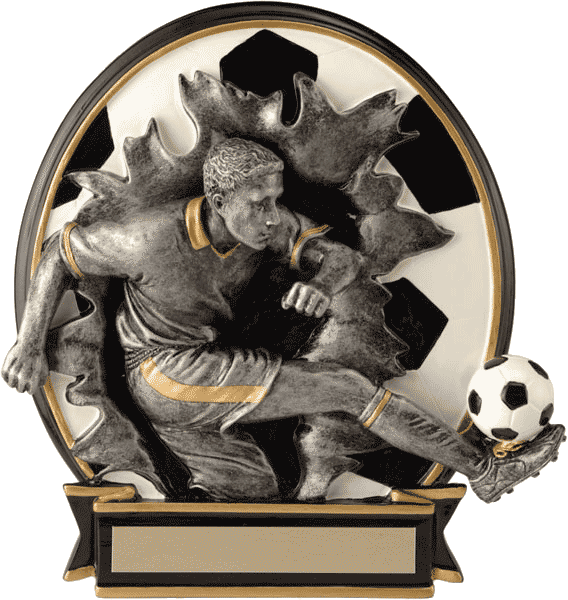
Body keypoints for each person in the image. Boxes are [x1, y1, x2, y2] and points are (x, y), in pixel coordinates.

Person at [2, 138, 563, 502]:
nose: (272, 217)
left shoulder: (265, 227)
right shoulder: (146, 239)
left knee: (255, 491)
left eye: (275, 200)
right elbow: (58, 252)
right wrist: (27, 342)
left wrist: (320, 285)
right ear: (217, 200)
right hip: (162, 373)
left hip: (202, 369)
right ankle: (485, 471)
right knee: (346, 388)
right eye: (258, 203)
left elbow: (342, 259)